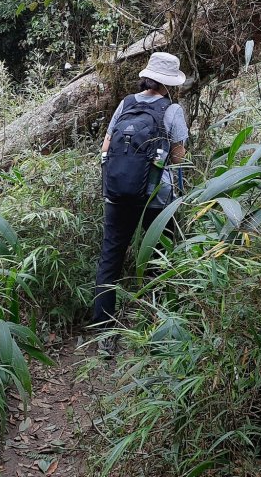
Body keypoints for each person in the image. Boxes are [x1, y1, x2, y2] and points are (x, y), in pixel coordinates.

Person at [93, 51, 188, 328]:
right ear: (168, 82)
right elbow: (179, 157)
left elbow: (106, 148)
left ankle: (103, 330)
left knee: (110, 260)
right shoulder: (172, 110)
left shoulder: (125, 104)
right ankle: (153, 324)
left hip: (117, 195)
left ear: (146, 77)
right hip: (156, 198)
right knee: (158, 259)